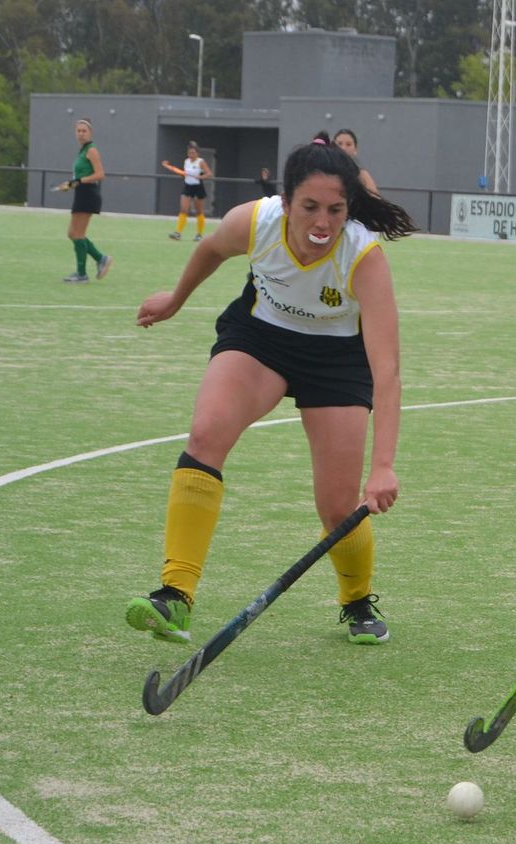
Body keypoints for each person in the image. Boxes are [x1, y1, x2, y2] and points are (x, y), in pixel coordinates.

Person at [128, 133, 417, 645]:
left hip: (336, 359)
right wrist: (175, 299)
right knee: (206, 434)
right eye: (309, 207)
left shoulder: (363, 257)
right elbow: (212, 251)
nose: (322, 223)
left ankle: (355, 600)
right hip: (261, 339)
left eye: (335, 209)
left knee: (336, 506)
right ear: (286, 202)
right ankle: (174, 596)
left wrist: (385, 464)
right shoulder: (255, 221)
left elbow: (387, 369)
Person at [59, 118, 113, 284]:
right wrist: (71, 184)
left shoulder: (92, 150)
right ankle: (100, 258)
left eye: (84, 131)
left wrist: (78, 182)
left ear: (90, 133)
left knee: (78, 234)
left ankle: (82, 274)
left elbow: (100, 174)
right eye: (78, 131)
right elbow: (80, 177)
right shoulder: (82, 151)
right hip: (81, 192)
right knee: (72, 233)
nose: (81, 134)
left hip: (89, 194)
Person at [162, 141, 213, 241]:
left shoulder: (200, 162)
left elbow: (209, 174)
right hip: (187, 186)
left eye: (193, 153)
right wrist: (180, 173)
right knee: (183, 209)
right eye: (189, 153)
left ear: (197, 153)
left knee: (199, 212)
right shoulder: (186, 161)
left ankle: (199, 234)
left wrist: (200, 177)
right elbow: (184, 173)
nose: (191, 155)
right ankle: (178, 233)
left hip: (198, 187)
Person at [332, 129, 380, 197]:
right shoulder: (324, 169)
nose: (343, 148)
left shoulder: (361, 174)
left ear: (355, 149)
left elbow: (375, 197)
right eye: (339, 144)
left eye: (348, 144)